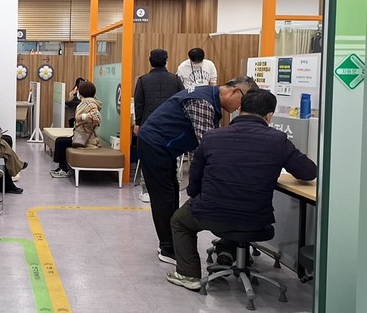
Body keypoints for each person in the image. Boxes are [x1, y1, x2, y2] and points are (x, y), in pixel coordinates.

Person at [166, 89, 317, 290]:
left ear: (239, 109)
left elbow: (195, 178)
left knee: (179, 220)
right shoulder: (278, 140)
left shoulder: (212, 137)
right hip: (255, 219)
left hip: (212, 214)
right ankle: (227, 251)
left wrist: (197, 197)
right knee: (237, 212)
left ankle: (188, 274)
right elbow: (308, 172)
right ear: (269, 116)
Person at [137, 76, 259, 265]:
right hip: (154, 144)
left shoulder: (209, 97)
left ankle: (172, 243)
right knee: (164, 196)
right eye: (242, 103)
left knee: (171, 191)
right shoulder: (203, 103)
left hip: (164, 146)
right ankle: (167, 247)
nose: (239, 109)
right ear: (235, 91)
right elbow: (207, 146)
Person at [133, 49, 184, 202]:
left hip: (149, 125)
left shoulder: (143, 80)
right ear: (166, 61)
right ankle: (174, 188)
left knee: (148, 158)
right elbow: (182, 102)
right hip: (171, 126)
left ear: (150, 61)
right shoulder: (176, 80)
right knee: (172, 157)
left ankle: (146, 190)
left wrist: (138, 123)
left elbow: (139, 103)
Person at [50, 81, 102, 178]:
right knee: (61, 140)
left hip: (86, 139)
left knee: (60, 142)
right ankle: (62, 168)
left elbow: (97, 118)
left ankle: (63, 169)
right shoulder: (86, 102)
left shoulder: (90, 104)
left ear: (81, 92)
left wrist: (82, 117)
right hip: (81, 135)